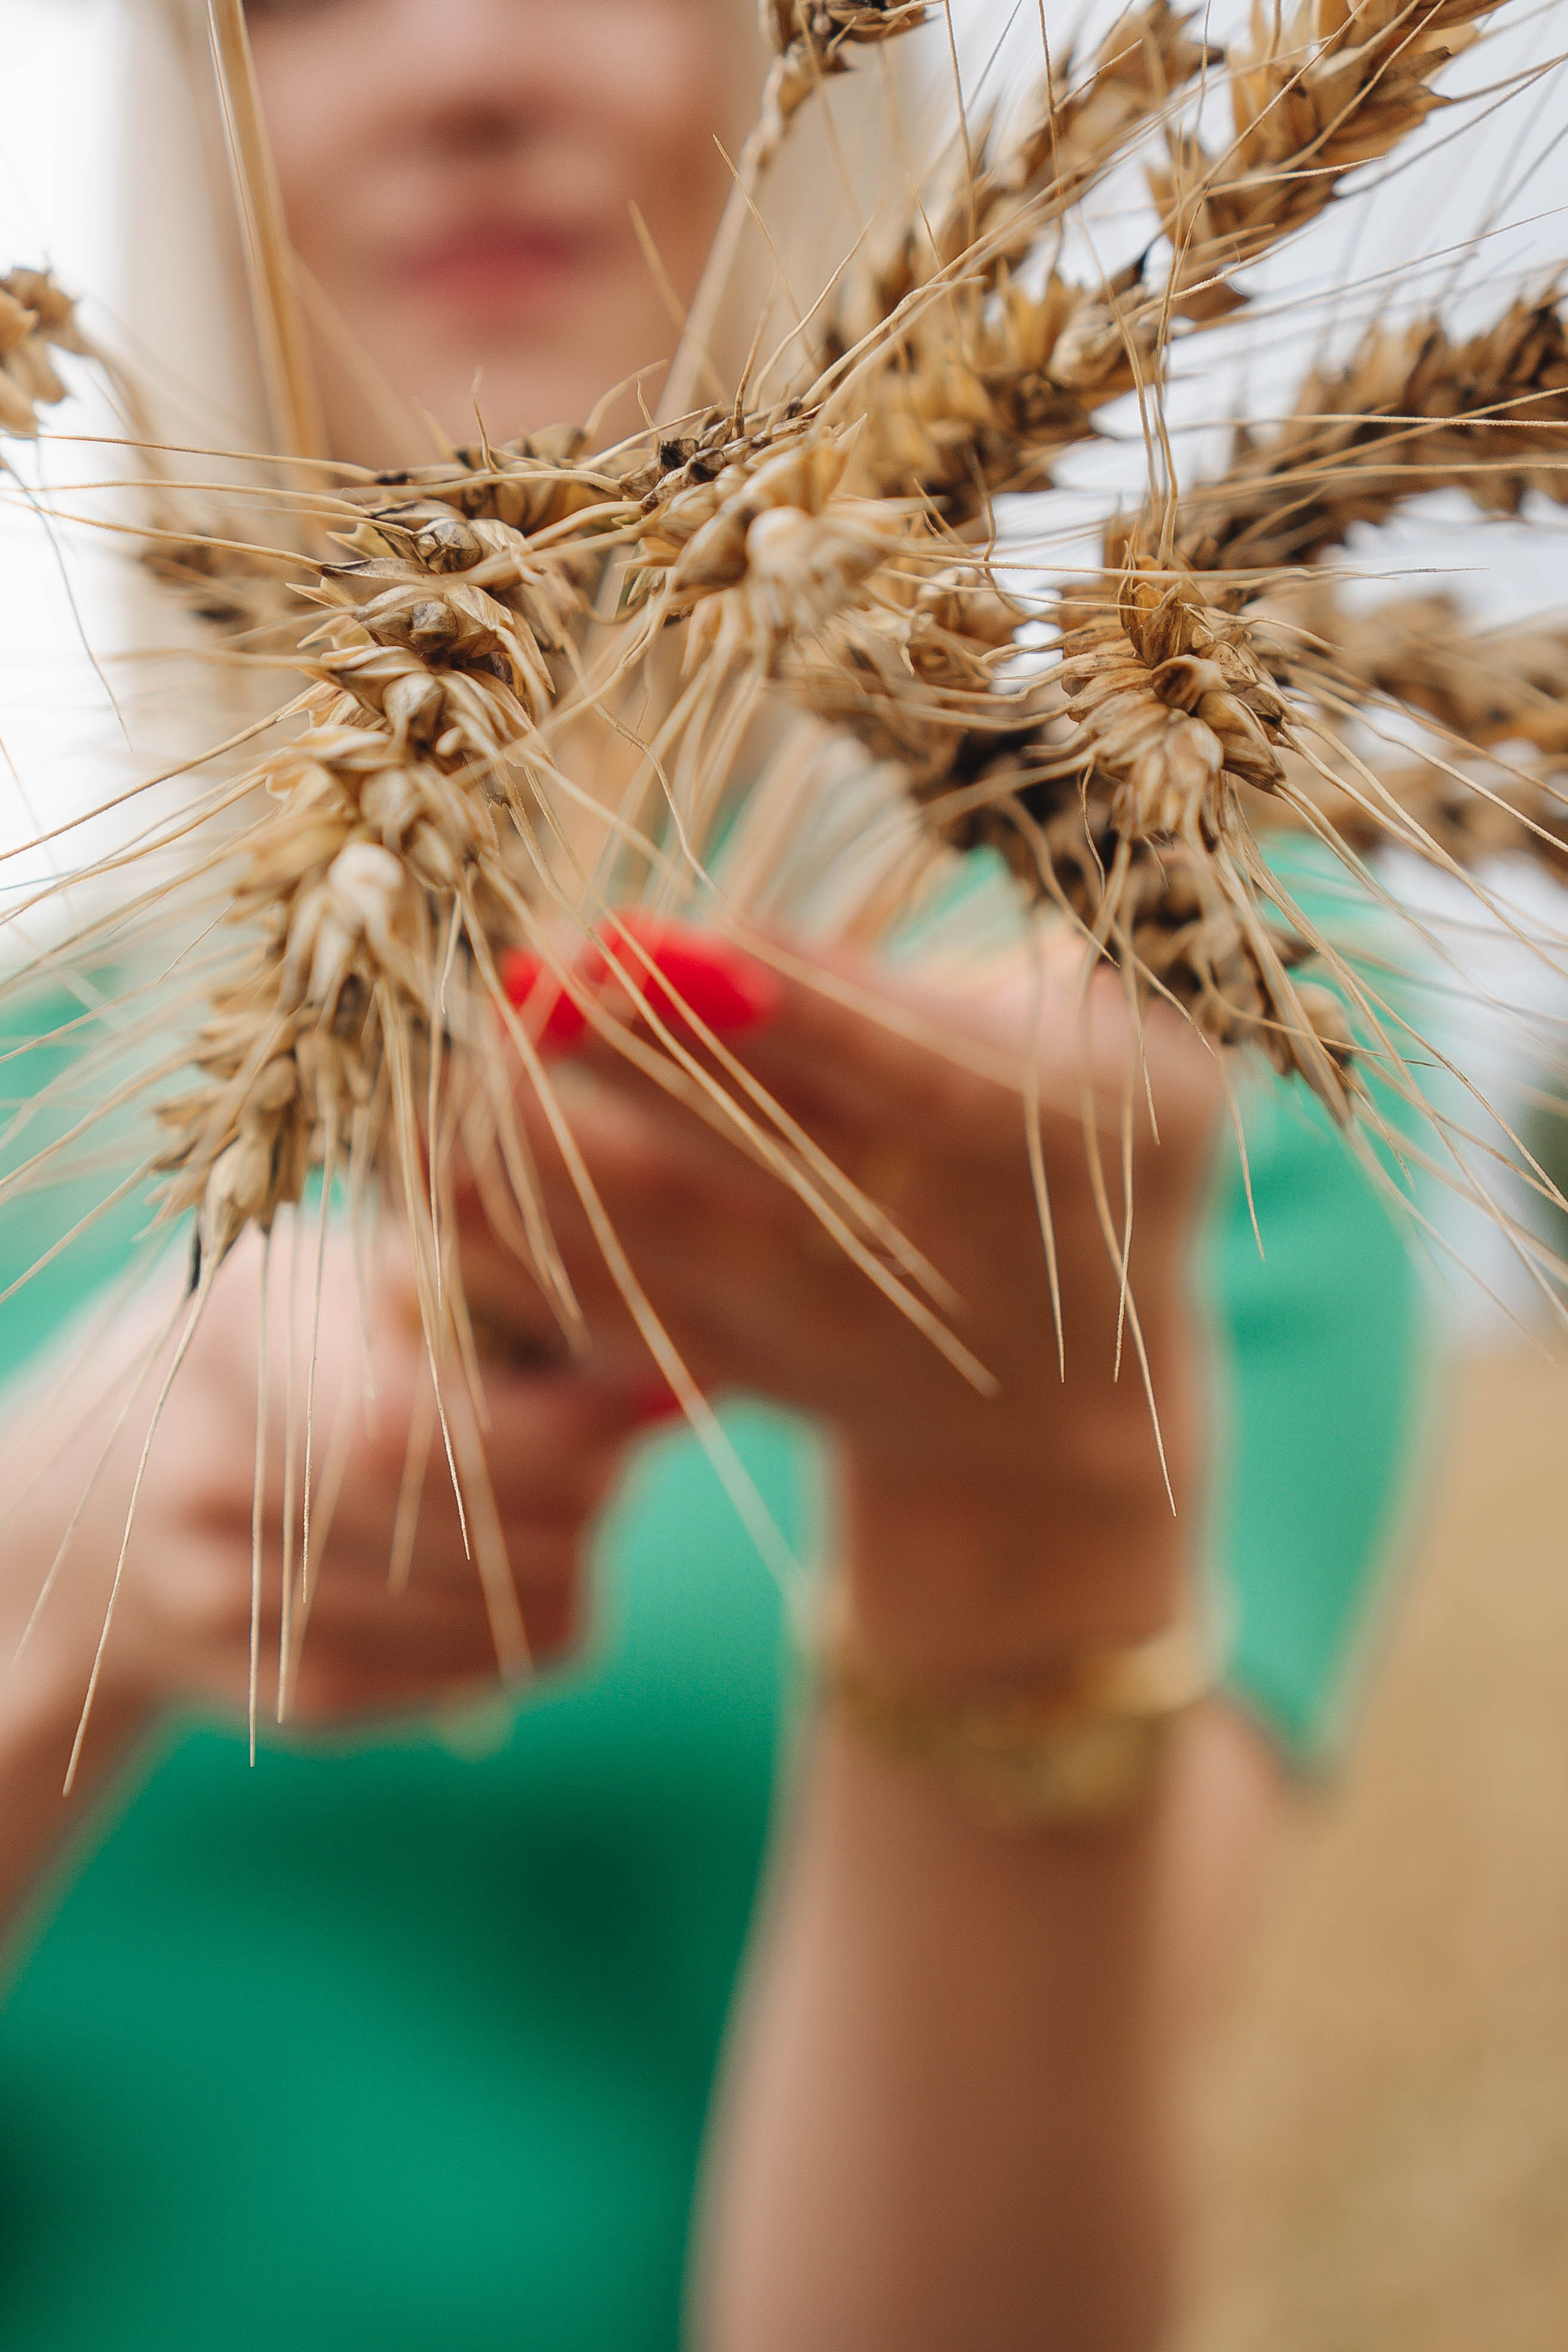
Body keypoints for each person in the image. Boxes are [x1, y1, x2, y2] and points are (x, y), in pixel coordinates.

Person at [0, 3, 1430, 2346]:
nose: (463, 64)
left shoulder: (1177, 1019)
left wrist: (1023, 1513)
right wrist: (45, 1583)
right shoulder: (32, 1072)